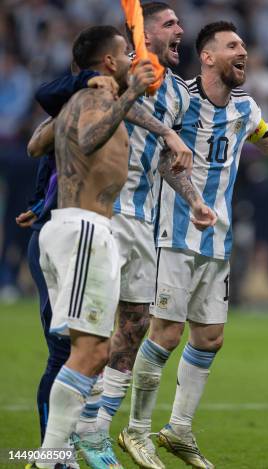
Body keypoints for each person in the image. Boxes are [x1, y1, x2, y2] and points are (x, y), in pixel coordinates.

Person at [119, 21, 268, 469]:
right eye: (232, 46)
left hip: (216, 239)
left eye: (244, 44)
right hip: (174, 233)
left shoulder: (245, 108)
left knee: (210, 336)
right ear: (207, 56)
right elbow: (157, 150)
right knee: (165, 332)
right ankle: (137, 430)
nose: (243, 51)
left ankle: (179, 429)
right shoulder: (180, 96)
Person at [26, 24, 155, 469]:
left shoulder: (82, 100)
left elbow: (36, 144)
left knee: (89, 350)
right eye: (125, 54)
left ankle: (54, 456)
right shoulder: (101, 98)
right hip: (84, 229)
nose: (131, 62)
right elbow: (84, 140)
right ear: (109, 62)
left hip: (68, 226)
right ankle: (50, 459)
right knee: (90, 352)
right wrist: (129, 94)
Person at [22, 71, 118, 443]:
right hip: (68, 234)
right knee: (67, 351)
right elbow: (39, 145)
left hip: (92, 236)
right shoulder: (83, 101)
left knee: (93, 351)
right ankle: (52, 454)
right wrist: (91, 78)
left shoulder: (121, 104)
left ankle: (67, 447)